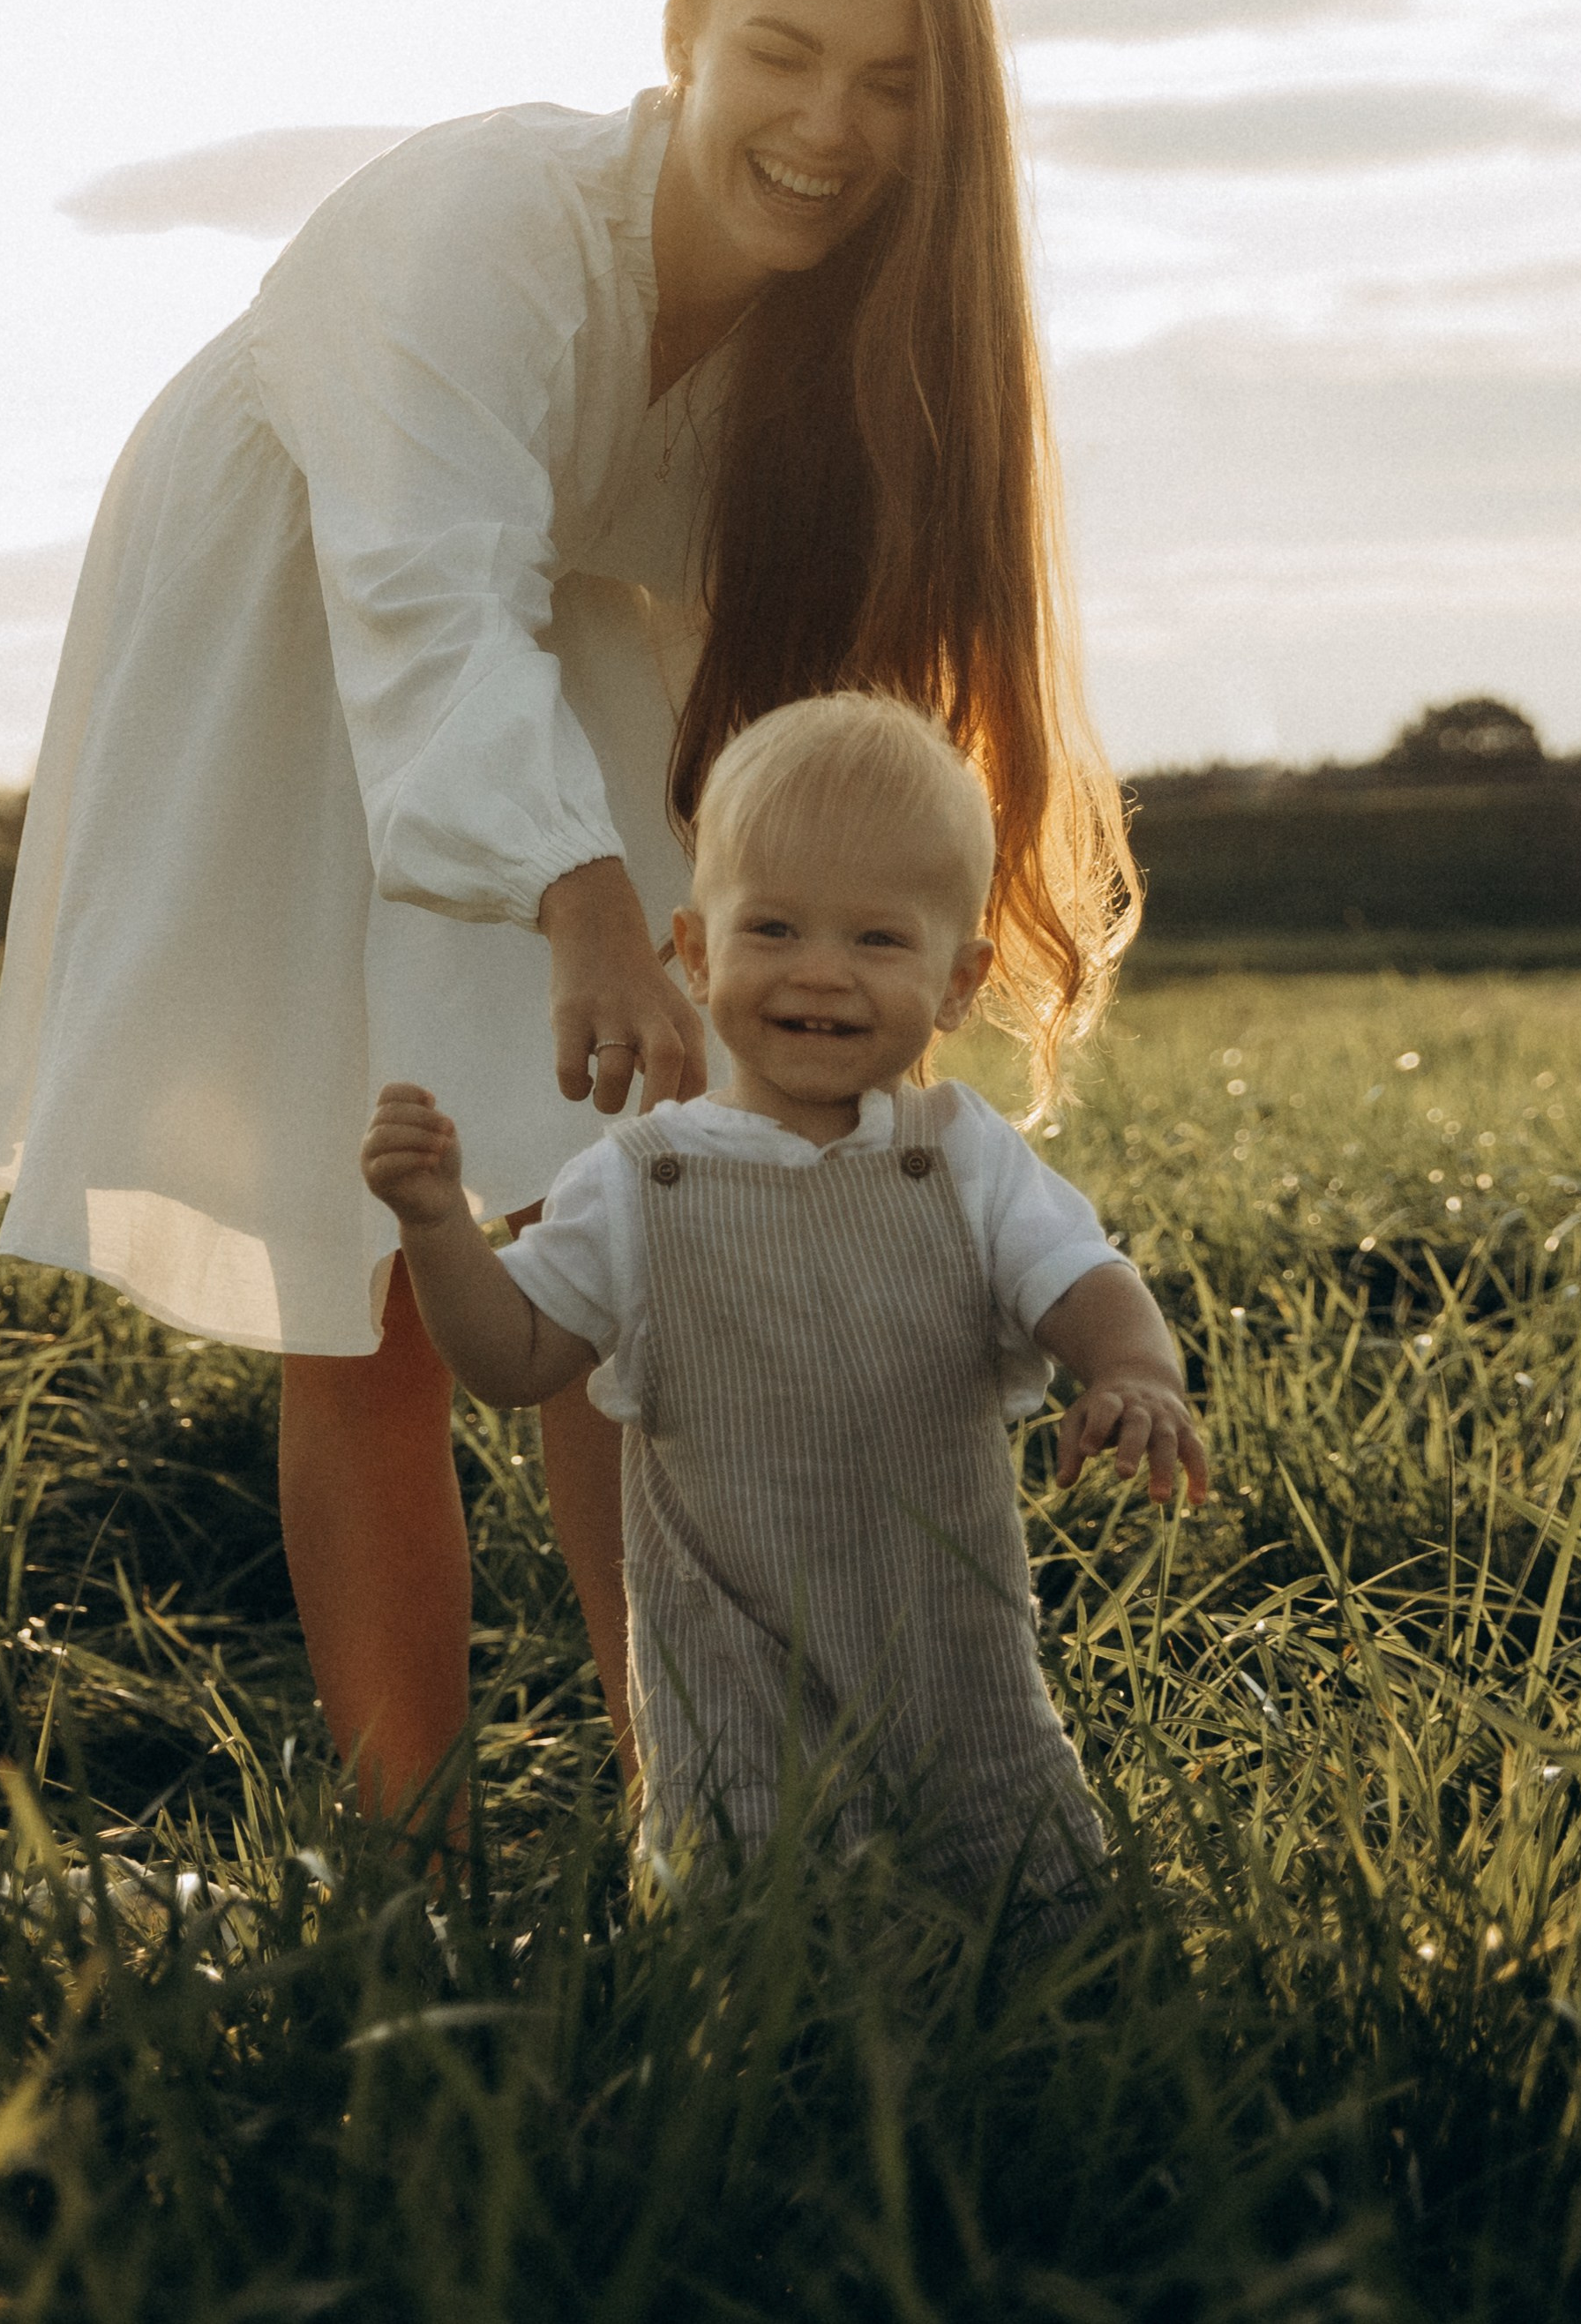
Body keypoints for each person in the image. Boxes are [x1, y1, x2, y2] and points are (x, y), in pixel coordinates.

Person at [0, 0, 1137, 1811]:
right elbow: (425, 593)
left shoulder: (857, 329)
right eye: (782, 52)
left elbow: (806, 686)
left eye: (891, 83)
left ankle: (698, 1805)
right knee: (361, 1274)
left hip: (561, 639)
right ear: (681, 31)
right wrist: (582, 897)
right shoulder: (475, 221)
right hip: (287, 600)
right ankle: (405, 1850)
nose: (827, 127)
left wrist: (795, 929)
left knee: (628, 1218)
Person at [361, 694, 1208, 1900]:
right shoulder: (636, 1180)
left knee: (1039, 1917)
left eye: (876, 939)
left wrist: (1131, 1371)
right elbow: (513, 1357)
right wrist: (441, 1226)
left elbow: (1079, 1274)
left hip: (959, 1677)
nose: (821, 969)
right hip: (734, 1703)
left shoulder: (959, 1154)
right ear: (697, 951)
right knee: (769, 1956)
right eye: (773, 927)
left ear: (957, 980)